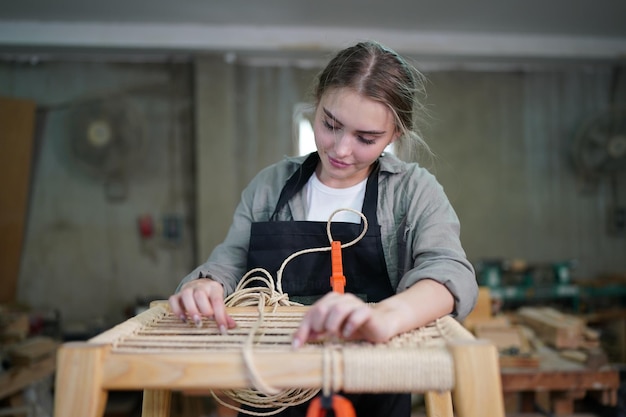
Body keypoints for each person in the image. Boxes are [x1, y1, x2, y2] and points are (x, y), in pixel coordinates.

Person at [168, 40, 478, 417]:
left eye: (366, 139)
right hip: (274, 389)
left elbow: (449, 275)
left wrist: (385, 316)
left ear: (395, 134)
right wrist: (207, 284)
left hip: (375, 387)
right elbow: (232, 259)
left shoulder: (413, 191)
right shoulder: (270, 186)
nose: (341, 149)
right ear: (316, 103)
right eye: (330, 124)